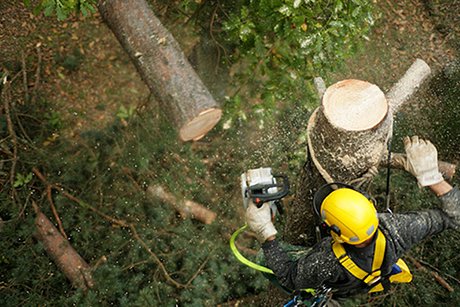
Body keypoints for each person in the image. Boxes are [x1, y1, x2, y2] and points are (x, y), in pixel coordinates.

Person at [245, 136, 460, 302]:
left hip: (338, 284)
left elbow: (290, 278)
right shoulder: (397, 229)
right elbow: (455, 216)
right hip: (367, 278)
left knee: (264, 261)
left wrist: (266, 234)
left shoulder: (327, 260)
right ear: (370, 209)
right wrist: (432, 177)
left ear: (336, 235)